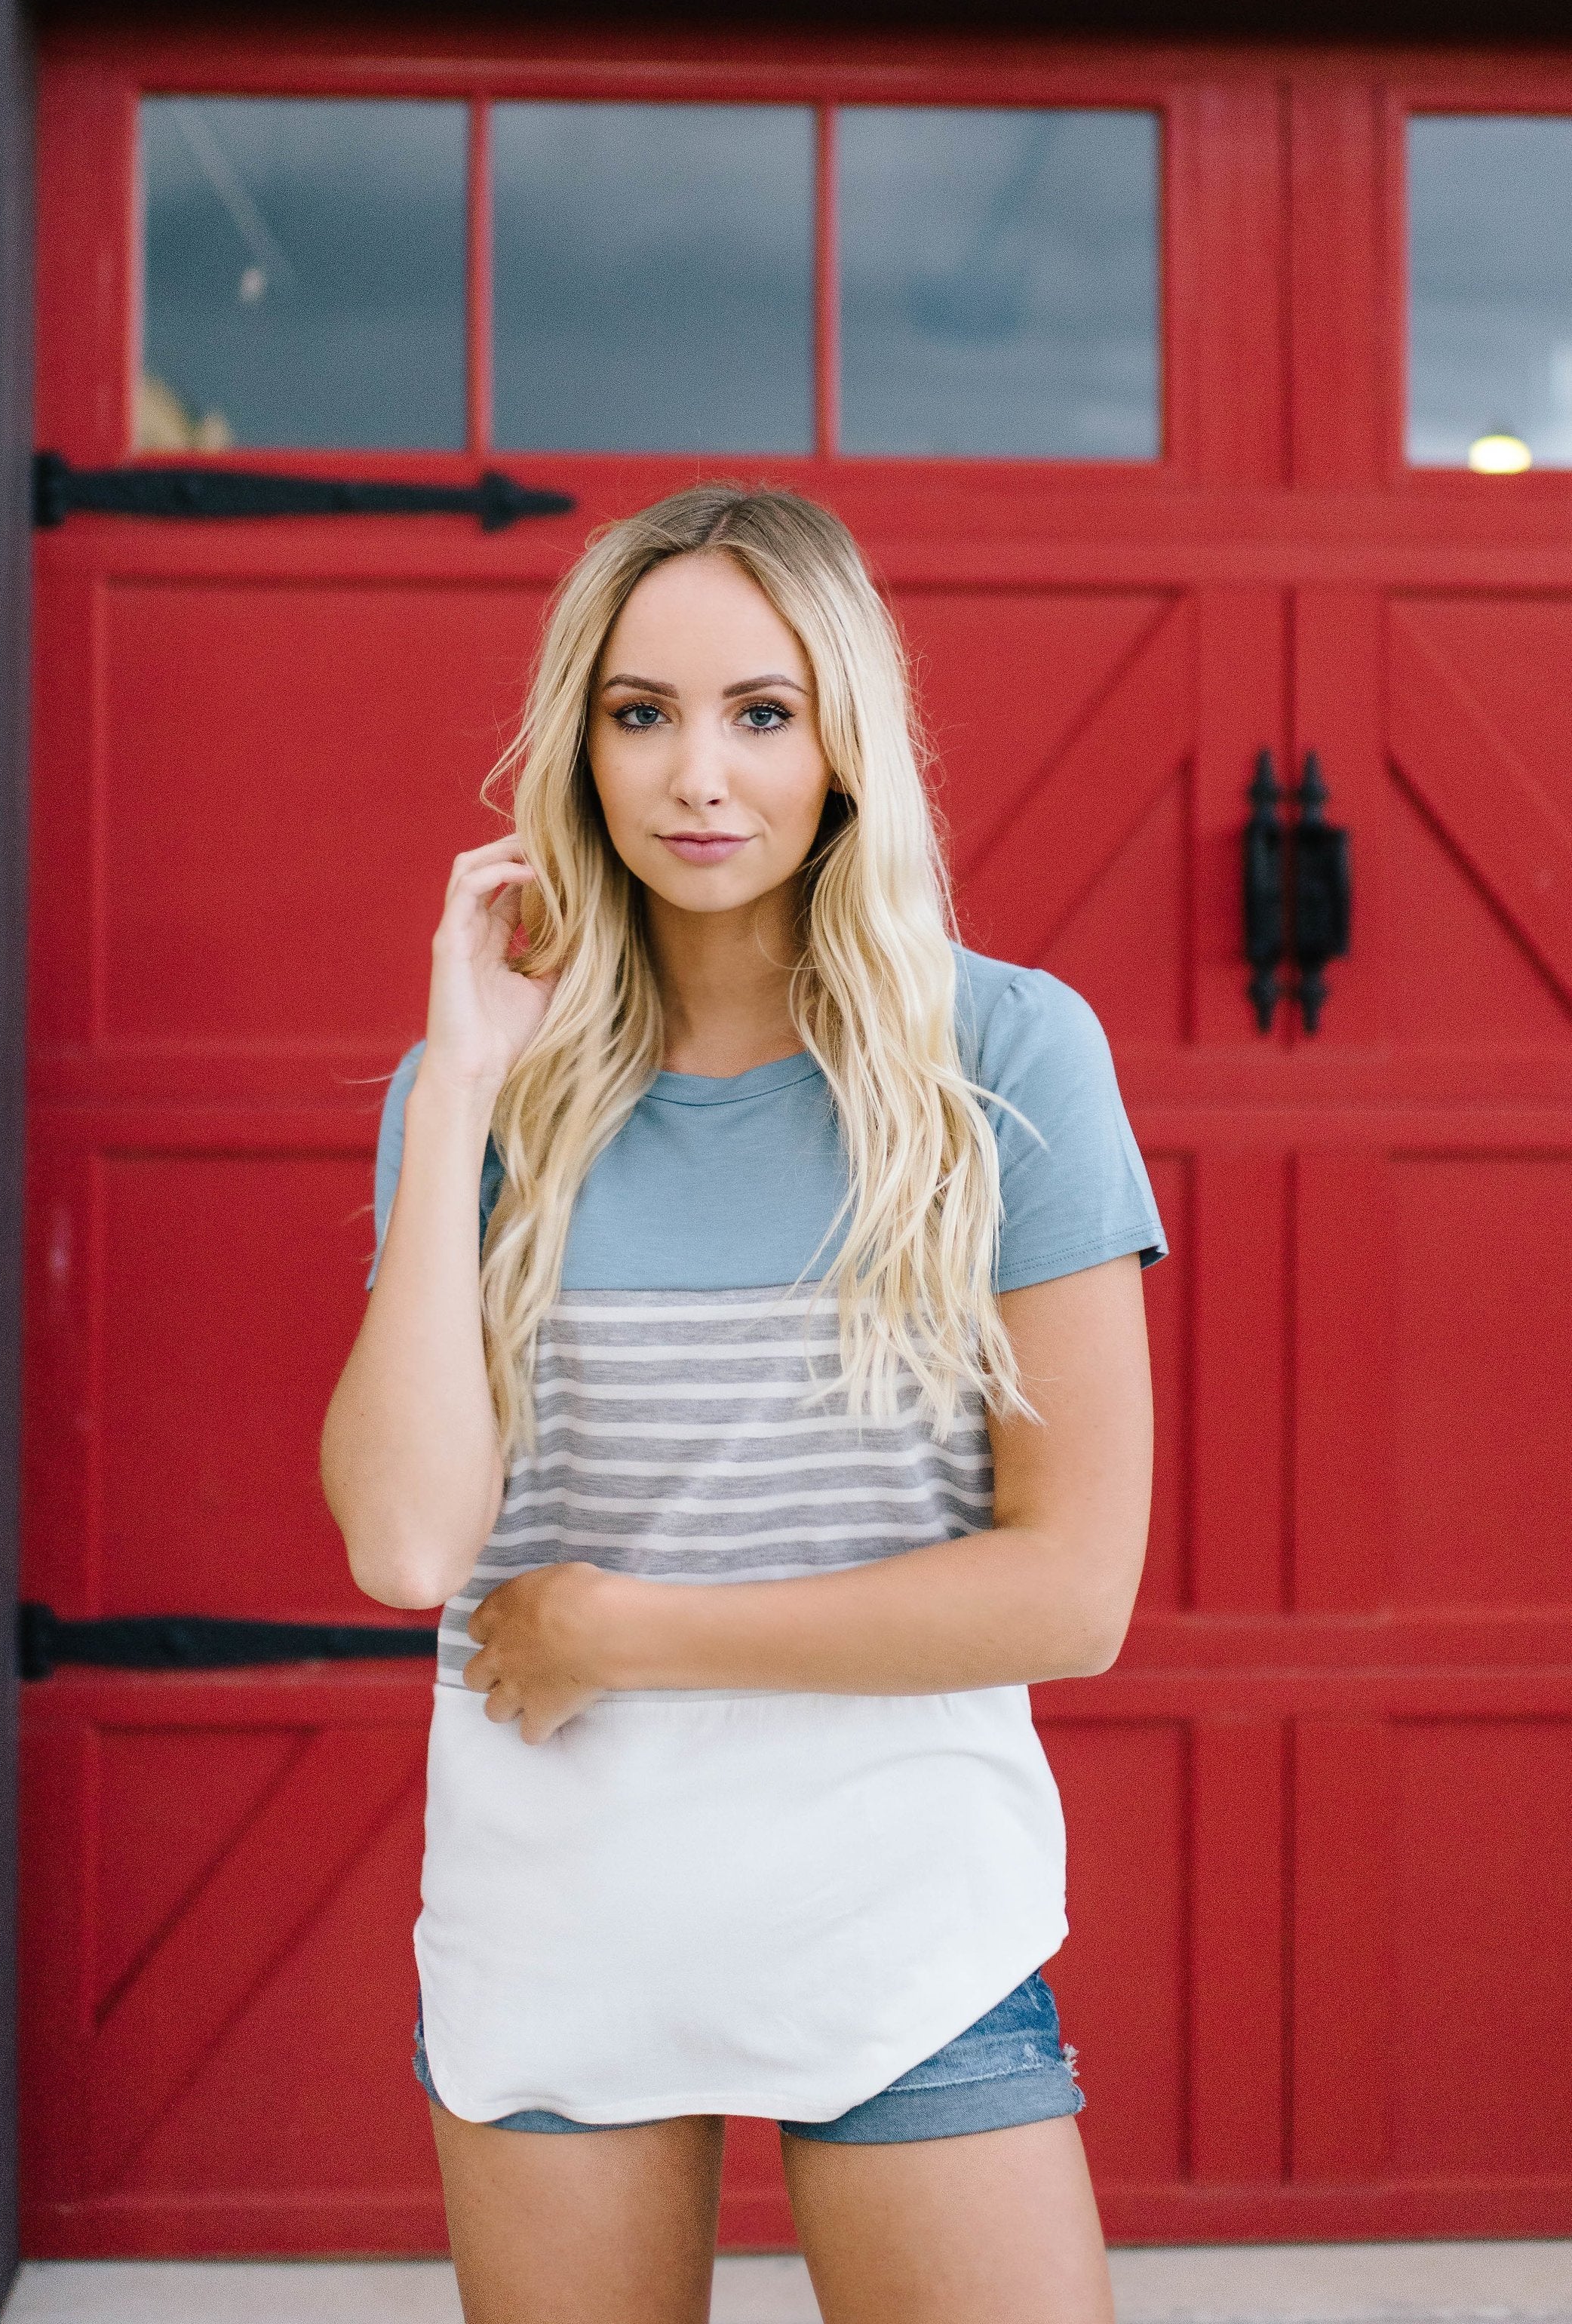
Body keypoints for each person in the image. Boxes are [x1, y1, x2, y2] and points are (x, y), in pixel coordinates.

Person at [322, 484, 1162, 2324]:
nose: (698, 774)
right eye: (640, 713)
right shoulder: (469, 1097)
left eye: (759, 713)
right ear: (578, 746)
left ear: (842, 740)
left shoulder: (1002, 1057)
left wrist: (630, 1627)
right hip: (561, 1913)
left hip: (901, 1913)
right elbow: (402, 1544)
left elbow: (1070, 1592)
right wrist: (463, 1082)